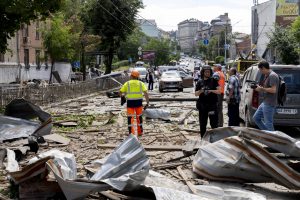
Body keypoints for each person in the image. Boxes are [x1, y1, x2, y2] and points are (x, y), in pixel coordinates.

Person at [120, 70, 149, 136]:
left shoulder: (127, 83)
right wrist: (147, 102)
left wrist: (123, 96)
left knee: (130, 118)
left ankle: (131, 134)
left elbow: (120, 92)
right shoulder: (141, 83)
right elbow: (146, 93)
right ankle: (140, 132)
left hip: (130, 103)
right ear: (137, 77)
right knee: (139, 118)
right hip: (139, 103)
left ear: (131, 76)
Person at [195, 66, 221, 138]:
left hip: (212, 106)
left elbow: (219, 91)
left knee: (214, 124)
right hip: (202, 106)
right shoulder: (200, 82)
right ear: (203, 72)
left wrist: (210, 91)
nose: (207, 73)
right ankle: (203, 139)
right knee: (203, 124)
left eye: (209, 72)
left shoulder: (214, 81)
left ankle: (215, 139)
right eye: (206, 72)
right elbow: (196, 94)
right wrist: (201, 91)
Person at [253, 61, 279, 131]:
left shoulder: (272, 76)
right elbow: (267, 88)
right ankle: (266, 134)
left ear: (263, 68)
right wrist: (260, 87)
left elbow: (274, 90)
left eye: (260, 70)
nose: (261, 72)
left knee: (268, 124)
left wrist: (261, 89)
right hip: (265, 102)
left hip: (270, 103)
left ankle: (272, 139)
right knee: (256, 118)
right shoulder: (267, 75)